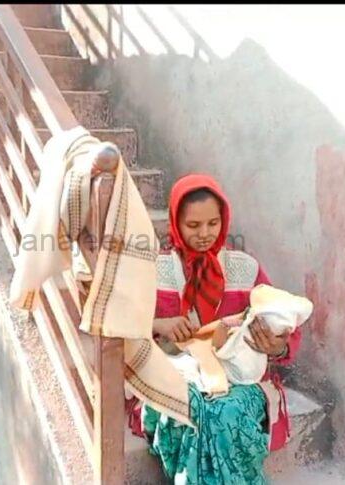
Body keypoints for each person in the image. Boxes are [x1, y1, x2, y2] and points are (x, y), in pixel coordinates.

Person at [129, 173, 303, 484]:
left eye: (213, 223)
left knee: (225, 412)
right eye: (193, 225)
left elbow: (284, 325)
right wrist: (160, 324)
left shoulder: (246, 268)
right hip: (176, 376)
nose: (204, 234)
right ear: (175, 223)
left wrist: (275, 344)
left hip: (239, 380)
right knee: (194, 408)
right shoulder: (156, 271)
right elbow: (123, 329)